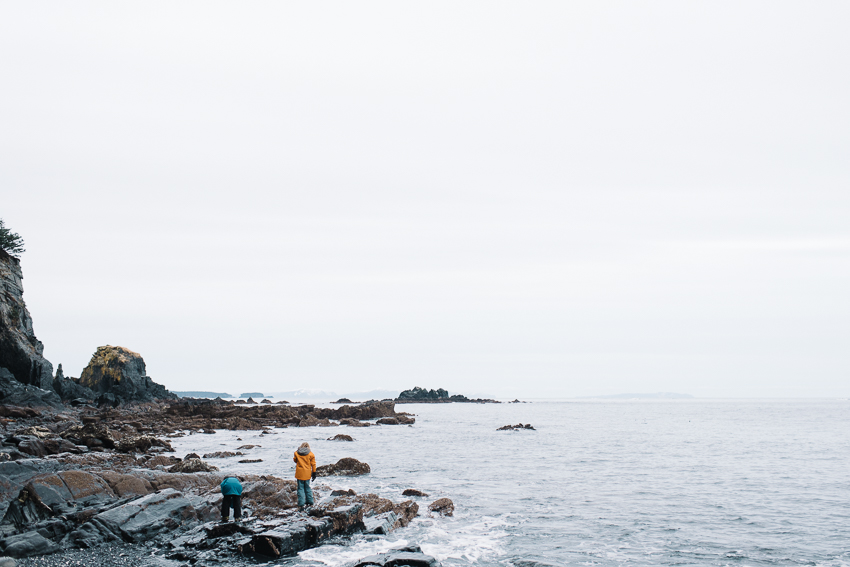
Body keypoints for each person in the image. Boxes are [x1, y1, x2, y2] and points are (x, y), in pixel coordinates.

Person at [293, 442, 317, 509]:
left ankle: (301, 503)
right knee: (307, 487)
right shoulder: (311, 454)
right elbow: (313, 464)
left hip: (299, 473)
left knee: (300, 488)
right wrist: (314, 473)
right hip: (307, 474)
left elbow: (295, 460)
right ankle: (310, 502)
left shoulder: (297, 453)